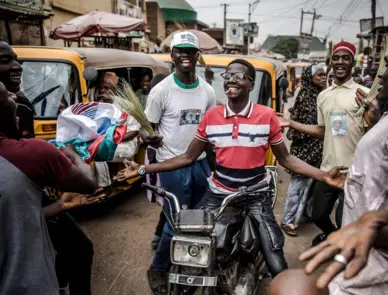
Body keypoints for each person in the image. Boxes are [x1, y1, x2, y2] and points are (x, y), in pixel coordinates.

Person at [270, 15, 388, 294]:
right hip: (364, 267)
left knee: (289, 285)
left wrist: (369, 228)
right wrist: (353, 181)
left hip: (377, 277)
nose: (380, 74)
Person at [115, 58, 345, 281]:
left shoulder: (266, 116)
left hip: (256, 195)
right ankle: (164, 272)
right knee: (192, 246)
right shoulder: (210, 118)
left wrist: (323, 175)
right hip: (218, 194)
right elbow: (188, 157)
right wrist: (145, 169)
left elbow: (286, 160)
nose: (231, 80)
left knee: (275, 257)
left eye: (238, 76)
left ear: (251, 85)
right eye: (228, 76)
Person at [0, 82, 98, 294]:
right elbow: (89, 183)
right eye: (6, 95)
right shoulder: (30, 154)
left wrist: (60, 205)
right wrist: (74, 154)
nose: (15, 97)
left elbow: (17, 213)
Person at [140, 31, 216, 295]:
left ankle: (188, 262)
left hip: (200, 163)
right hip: (172, 165)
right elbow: (145, 127)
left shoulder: (207, 91)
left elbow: (211, 131)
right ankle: (158, 268)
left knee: (200, 220)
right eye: (179, 51)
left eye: (190, 51)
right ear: (172, 56)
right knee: (178, 222)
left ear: (198, 56)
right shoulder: (161, 91)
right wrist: (149, 138)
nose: (185, 55)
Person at [278, 41, 370, 246]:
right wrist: (292, 123)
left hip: (354, 172)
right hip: (328, 170)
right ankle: (333, 238)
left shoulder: (363, 93)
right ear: (331, 62)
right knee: (318, 215)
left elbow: (372, 130)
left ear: (353, 62)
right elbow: (323, 131)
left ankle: (342, 253)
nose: (340, 62)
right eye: (336, 58)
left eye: (345, 58)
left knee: (344, 220)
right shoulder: (323, 96)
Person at [281, 64, 326, 237]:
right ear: (310, 77)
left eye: (324, 74)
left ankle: (303, 214)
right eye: (319, 75)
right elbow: (305, 125)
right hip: (305, 149)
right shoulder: (307, 96)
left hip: (316, 149)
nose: (323, 77)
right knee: (298, 186)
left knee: (310, 186)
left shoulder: (318, 95)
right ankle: (287, 221)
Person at [144, 73, 168, 250]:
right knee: (169, 200)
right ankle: (161, 236)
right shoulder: (155, 104)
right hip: (161, 158)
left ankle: (159, 235)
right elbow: (144, 131)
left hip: (157, 157)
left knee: (168, 201)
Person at [0, 41, 35, 139]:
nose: (18, 67)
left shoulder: (23, 104)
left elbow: (28, 147)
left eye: (16, 60)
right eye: (4, 60)